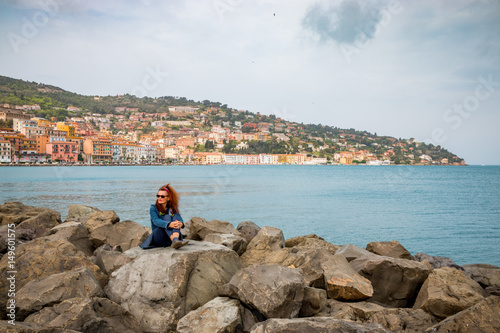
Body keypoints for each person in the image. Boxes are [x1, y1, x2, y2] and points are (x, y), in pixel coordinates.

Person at [140, 184, 189, 249]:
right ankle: (174, 240)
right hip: (159, 237)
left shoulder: (172, 208)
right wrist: (169, 224)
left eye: (162, 196)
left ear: (168, 198)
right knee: (167, 217)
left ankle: (175, 240)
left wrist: (180, 223)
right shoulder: (153, 208)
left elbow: (179, 218)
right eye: (158, 196)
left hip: (168, 239)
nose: (159, 198)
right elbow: (156, 221)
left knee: (175, 218)